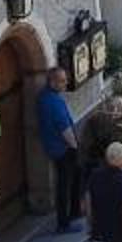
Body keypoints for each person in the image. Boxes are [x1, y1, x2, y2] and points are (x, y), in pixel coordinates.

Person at [35, 63, 83, 228]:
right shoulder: (54, 102)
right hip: (63, 149)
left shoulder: (44, 97)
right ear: (52, 82)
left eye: (65, 80)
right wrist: (74, 147)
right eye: (62, 81)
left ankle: (75, 211)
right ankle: (64, 222)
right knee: (65, 184)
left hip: (54, 147)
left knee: (73, 178)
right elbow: (64, 128)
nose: (65, 83)